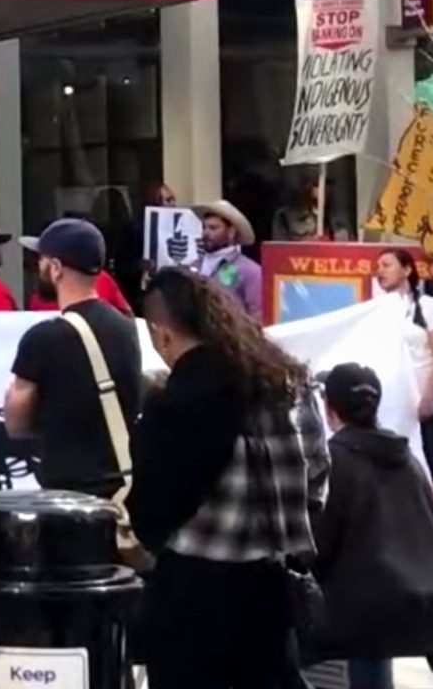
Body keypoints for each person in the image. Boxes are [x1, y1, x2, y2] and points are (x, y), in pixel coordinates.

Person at [131, 268, 326, 689]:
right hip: (271, 589)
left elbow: (149, 511)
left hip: (191, 595)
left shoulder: (175, 405)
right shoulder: (288, 384)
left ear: (162, 334)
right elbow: (317, 478)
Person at [309, 364, 433, 689]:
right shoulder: (407, 459)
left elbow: (318, 543)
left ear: (330, 410)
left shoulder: (335, 460)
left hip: (370, 610)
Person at [3, 219, 142, 499]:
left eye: (41, 259)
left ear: (56, 268)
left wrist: (13, 398)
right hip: (119, 491)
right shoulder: (127, 328)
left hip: (67, 495)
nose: (37, 266)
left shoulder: (43, 337)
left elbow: (16, 425)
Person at [373, 246, 433, 549]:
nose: (380, 270)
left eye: (387, 264)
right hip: (396, 408)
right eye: (378, 266)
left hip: (430, 404)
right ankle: (411, 539)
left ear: (407, 270)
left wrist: (428, 395)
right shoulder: (376, 311)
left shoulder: (428, 307)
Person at [195, 201, 265, 321]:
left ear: (231, 232)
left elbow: (258, 314)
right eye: (204, 228)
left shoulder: (250, 271)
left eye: (213, 228)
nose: (206, 233)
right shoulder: (192, 267)